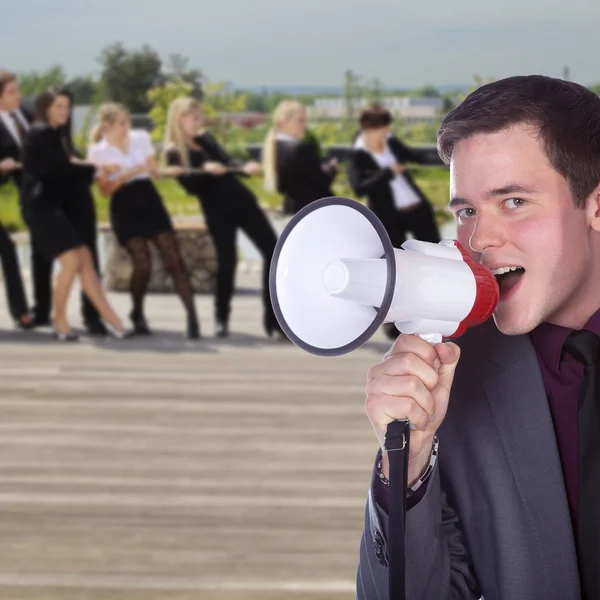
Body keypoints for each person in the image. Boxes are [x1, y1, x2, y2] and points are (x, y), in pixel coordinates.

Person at [358, 75, 600, 600]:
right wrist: (407, 461)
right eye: (466, 210)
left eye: (513, 201)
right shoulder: (455, 371)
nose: (478, 241)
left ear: (596, 207)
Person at [161, 97, 285, 339]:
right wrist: (206, 172)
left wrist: (245, 167)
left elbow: (228, 163)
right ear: (179, 119)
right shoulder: (175, 152)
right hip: (217, 212)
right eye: (194, 118)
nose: (199, 122)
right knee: (227, 262)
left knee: (273, 250)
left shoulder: (206, 139)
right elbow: (190, 186)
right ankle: (221, 318)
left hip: (243, 202)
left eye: (200, 117)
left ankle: (274, 320)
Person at [20, 87, 131, 341]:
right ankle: (60, 322)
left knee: (84, 257)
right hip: (39, 208)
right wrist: (99, 166)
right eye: (58, 106)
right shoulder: (42, 132)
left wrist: (93, 167)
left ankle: (113, 321)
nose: (64, 112)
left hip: (52, 206)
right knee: (72, 261)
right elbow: (63, 166)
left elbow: (68, 162)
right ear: (46, 107)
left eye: (67, 107)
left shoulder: (57, 134)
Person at [87, 103, 201, 340]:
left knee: (173, 257)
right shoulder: (98, 152)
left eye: (128, 121)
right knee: (143, 263)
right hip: (124, 205)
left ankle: (192, 318)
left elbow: (153, 169)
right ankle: (137, 313)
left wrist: (157, 170)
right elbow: (105, 191)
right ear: (108, 125)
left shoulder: (140, 137)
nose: (127, 127)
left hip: (149, 199)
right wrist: (128, 174)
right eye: (121, 123)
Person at [348, 104, 440, 248]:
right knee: (400, 262)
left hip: (418, 210)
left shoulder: (390, 141)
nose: (387, 131)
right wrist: (387, 173)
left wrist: (448, 158)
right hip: (391, 219)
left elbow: (414, 156)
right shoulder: (357, 155)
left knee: (436, 253)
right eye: (384, 128)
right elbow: (358, 188)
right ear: (370, 129)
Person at [0, 70, 36, 329]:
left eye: (18, 90)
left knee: (8, 249)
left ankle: (21, 311)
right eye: (12, 92)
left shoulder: (25, 115)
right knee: (8, 249)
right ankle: (21, 311)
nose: (18, 96)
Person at [261, 99, 337, 215]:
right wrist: (332, 168)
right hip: (313, 210)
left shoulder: (274, 148)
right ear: (283, 123)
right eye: (300, 121)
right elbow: (323, 180)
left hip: (292, 208)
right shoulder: (299, 149)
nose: (305, 125)